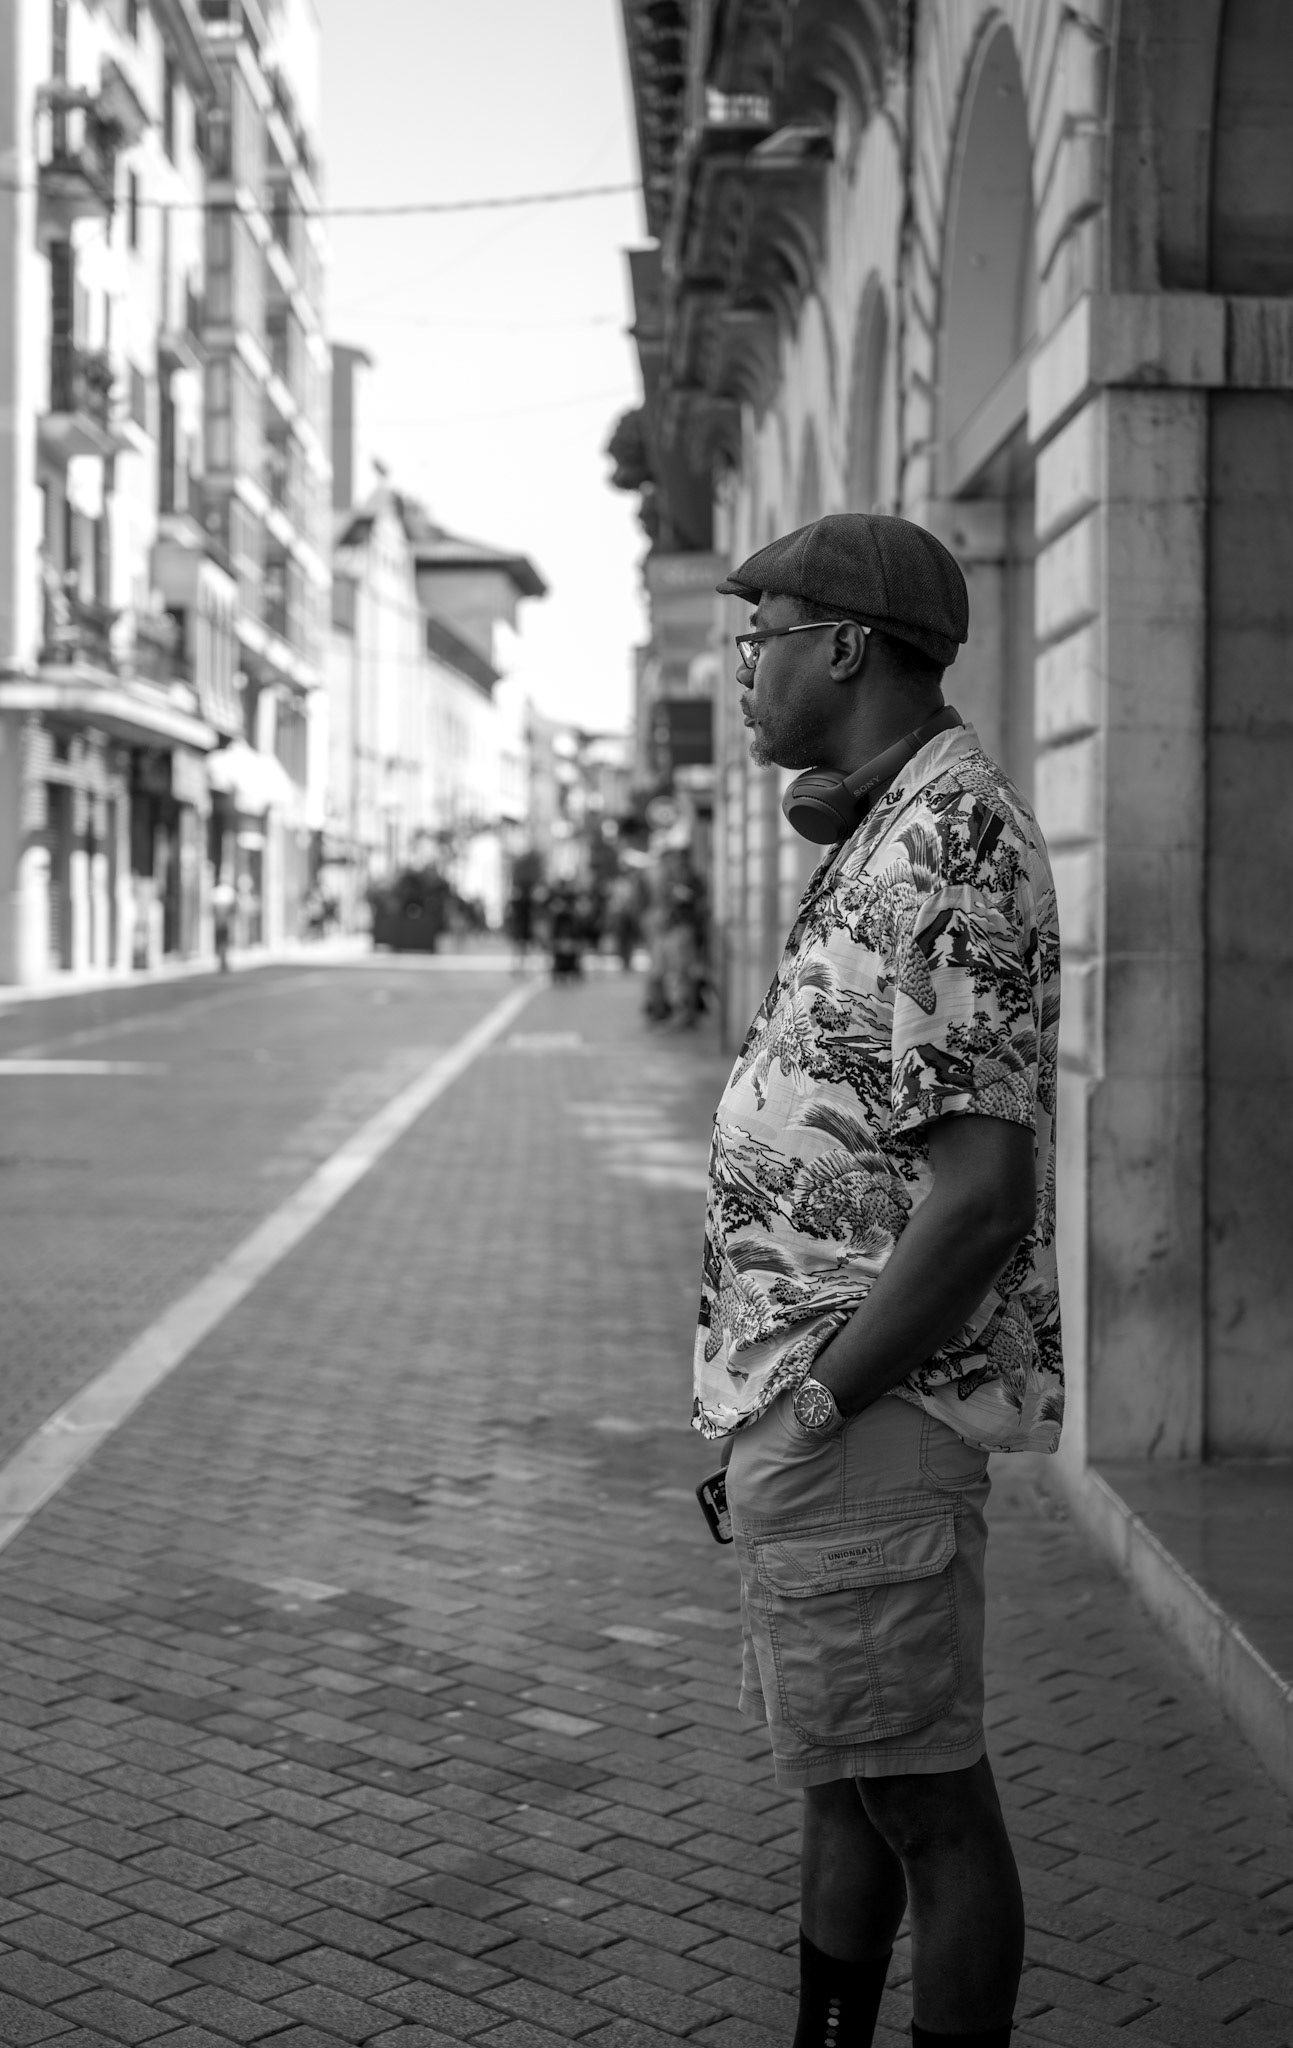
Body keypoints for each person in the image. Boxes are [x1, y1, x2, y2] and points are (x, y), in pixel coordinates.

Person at [693, 513, 1063, 2048]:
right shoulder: (878, 822)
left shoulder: (954, 841)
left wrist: (820, 1406)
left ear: (843, 645)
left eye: (757, 640)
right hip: (823, 1410)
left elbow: (980, 1200)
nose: (739, 676)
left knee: (924, 1804)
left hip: (870, 1409)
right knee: (848, 1778)